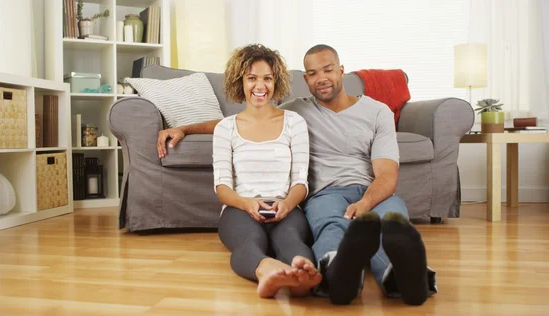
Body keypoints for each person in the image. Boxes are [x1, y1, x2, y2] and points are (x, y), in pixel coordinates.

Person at [156, 44, 437, 306]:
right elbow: (248, 121)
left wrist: (361, 205)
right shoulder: (294, 111)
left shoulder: (371, 112)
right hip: (323, 194)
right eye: (313, 73)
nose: (322, 78)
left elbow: (386, 176)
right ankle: (331, 275)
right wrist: (185, 128)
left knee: (388, 223)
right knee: (330, 226)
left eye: (328, 70)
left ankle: (400, 276)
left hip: (362, 190)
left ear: (342, 71)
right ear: (305, 80)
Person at [211, 43, 322, 298]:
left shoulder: (294, 123)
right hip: (240, 209)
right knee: (250, 241)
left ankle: (303, 275)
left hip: (285, 206)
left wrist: (287, 204)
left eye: (267, 79)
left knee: (292, 240)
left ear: (276, 82)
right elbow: (222, 188)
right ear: (240, 82)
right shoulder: (225, 128)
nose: (260, 86)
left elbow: (300, 182)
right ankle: (267, 271)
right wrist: (247, 203)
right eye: (252, 78)